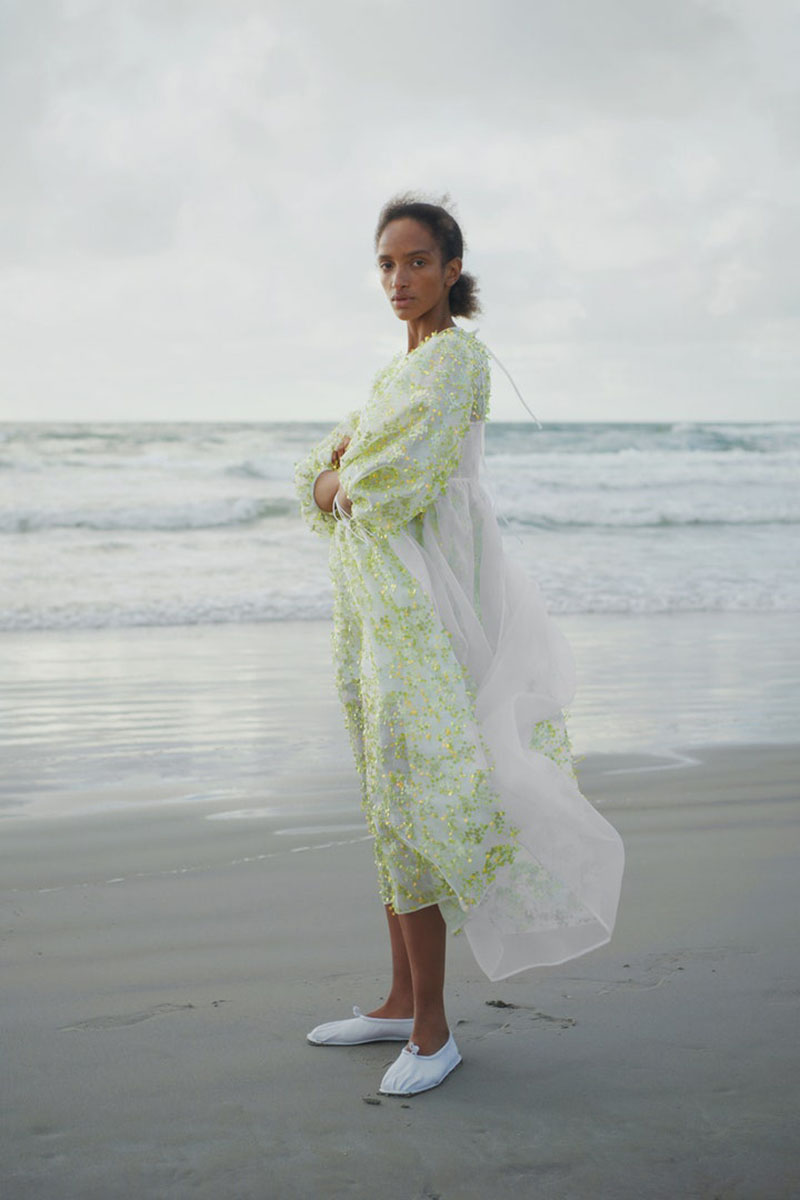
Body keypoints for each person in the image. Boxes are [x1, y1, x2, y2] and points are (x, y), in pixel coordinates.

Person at [293, 193, 624, 1097]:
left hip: (433, 601)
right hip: (381, 597)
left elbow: (377, 481)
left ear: (451, 269)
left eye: (416, 262)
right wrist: (333, 480)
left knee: (420, 788)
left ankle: (434, 1031)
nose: (400, 279)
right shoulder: (399, 370)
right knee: (385, 791)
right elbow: (327, 472)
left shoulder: (455, 360)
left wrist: (337, 481)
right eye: (387, 264)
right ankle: (401, 1000)